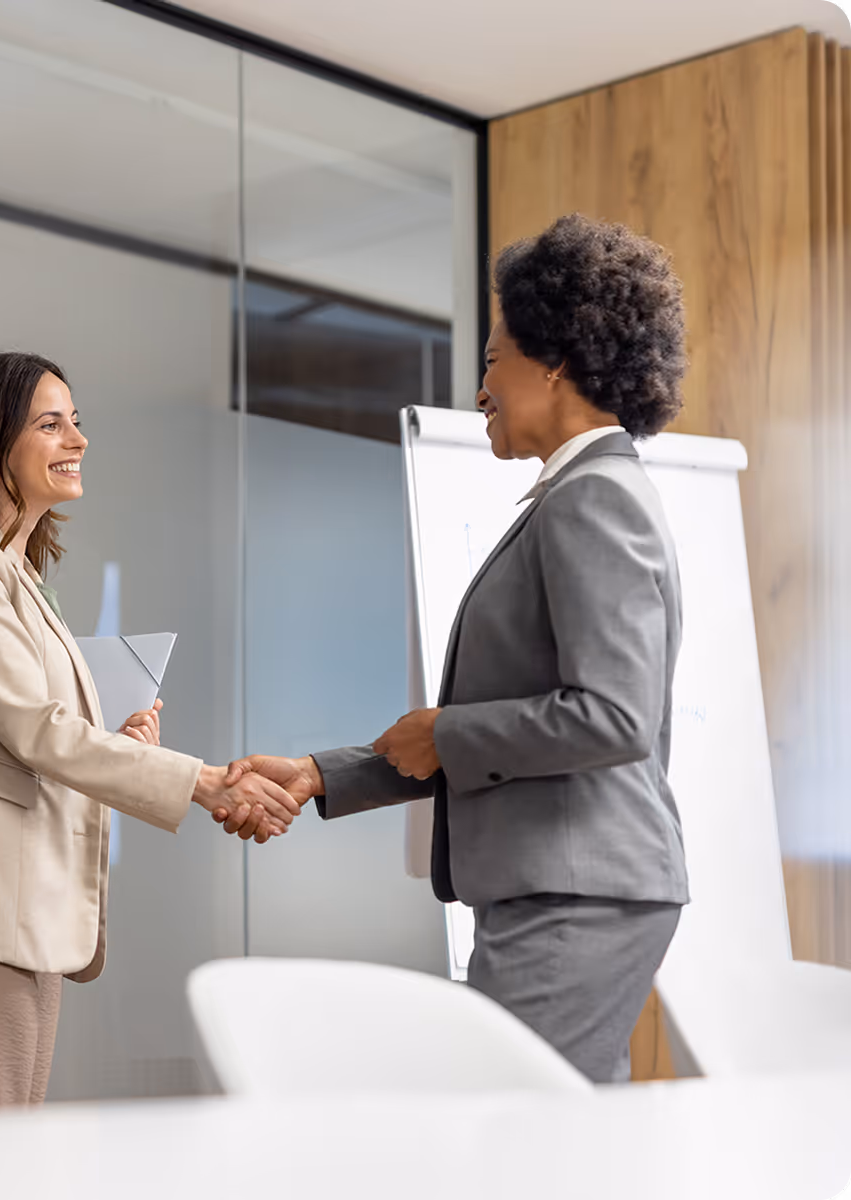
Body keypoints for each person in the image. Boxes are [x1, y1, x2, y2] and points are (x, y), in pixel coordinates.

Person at [220, 213, 690, 1084]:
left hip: (576, 895)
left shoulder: (595, 500)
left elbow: (613, 715)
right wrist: (324, 774)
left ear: (553, 360)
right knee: (560, 1148)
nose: (480, 390)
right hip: (562, 890)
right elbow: (507, 724)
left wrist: (447, 733)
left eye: (491, 361)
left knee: (514, 1143)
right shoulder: (580, 496)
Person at [0, 352, 297, 1109]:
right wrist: (205, 782)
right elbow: (37, 731)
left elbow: (34, 740)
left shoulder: (16, 576)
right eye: (51, 423)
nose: (78, 439)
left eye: (77, 422)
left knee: (5, 1173)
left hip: (20, 924)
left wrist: (124, 751)